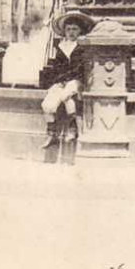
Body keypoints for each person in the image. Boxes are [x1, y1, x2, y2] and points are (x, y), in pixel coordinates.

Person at [41, 9, 95, 158]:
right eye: (68, 29)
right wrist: (56, 82)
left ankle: (72, 129)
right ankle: (51, 132)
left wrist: (72, 81)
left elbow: (82, 69)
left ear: (80, 31)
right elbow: (56, 68)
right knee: (48, 104)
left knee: (67, 96)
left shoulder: (82, 47)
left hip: (76, 81)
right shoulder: (59, 48)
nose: (71, 32)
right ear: (64, 31)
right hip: (61, 81)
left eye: (75, 29)